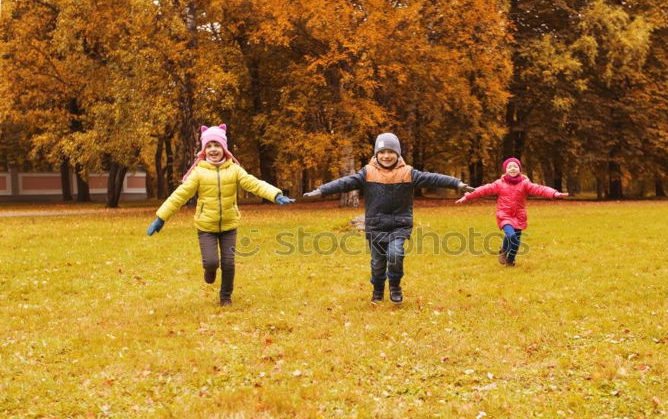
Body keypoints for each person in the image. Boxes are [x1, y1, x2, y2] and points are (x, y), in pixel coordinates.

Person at [303, 132, 474, 304]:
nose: (386, 156)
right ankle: (377, 289)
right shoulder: (367, 173)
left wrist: (457, 184)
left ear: (398, 153)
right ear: (376, 154)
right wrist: (321, 190)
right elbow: (344, 182)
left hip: (399, 225)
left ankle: (394, 285)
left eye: (390, 152)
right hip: (376, 226)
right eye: (382, 152)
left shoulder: (408, 173)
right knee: (377, 264)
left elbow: (434, 179)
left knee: (395, 255)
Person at [146, 124, 294, 306]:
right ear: (204, 150)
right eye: (209, 146)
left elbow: (254, 184)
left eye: (217, 145)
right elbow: (180, 195)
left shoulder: (234, 170)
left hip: (229, 225)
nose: (213, 149)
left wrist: (275, 194)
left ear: (224, 148)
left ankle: (225, 297)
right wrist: (161, 217)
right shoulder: (198, 173)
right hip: (206, 227)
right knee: (211, 262)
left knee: (229, 264)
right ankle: (209, 270)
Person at [456, 157, 568, 266]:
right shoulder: (499, 183)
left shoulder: (525, 183)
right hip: (504, 215)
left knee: (516, 241)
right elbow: (483, 189)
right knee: (511, 236)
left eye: (515, 166)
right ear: (505, 170)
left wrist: (554, 193)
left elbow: (540, 189)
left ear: (519, 169)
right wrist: (467, 196)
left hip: (519, 216)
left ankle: (510, 260)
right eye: (509, 167)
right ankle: (504, 251)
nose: (513, 169)